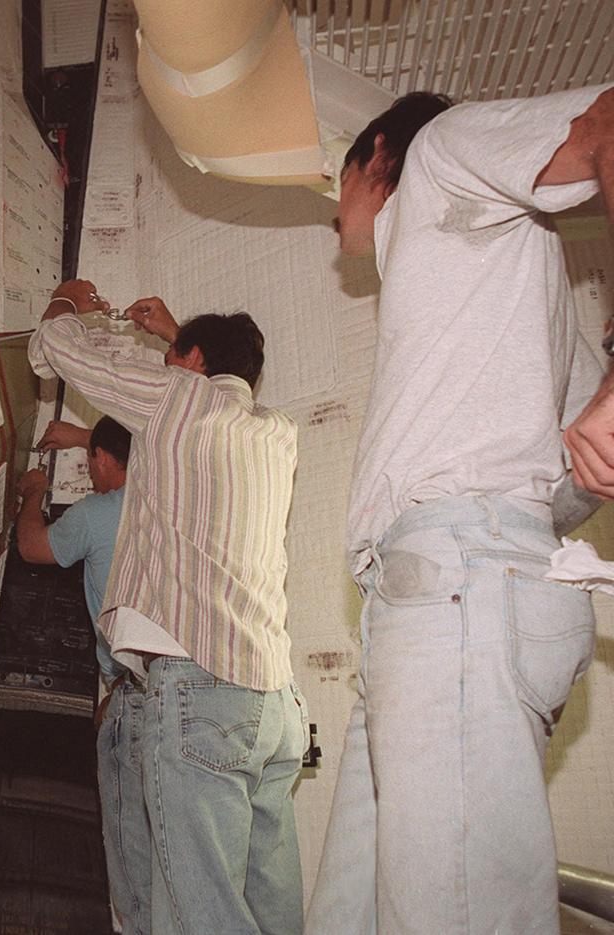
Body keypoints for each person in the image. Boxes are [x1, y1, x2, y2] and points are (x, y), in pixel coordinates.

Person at [305, 84, 614, 935]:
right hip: (444, 598)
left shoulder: (440, 151)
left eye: (340, 190)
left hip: (459, 593)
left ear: (375, 157)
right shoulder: (509, 287)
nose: (339, 222)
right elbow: (582, 469)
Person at [28, 279, 305, 935]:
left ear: (192, 361)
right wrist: (181, 339)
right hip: (272, 704)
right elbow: (213, 389)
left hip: (196, 695)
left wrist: (67, 302)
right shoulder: (276, 432)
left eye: (171, 358)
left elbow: (61, 348)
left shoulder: (178, 398)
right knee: (270, 913)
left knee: (196, 916)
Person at [14, 415, 153, 935]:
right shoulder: (164, 496)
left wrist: (34, 493)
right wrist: (83, 439)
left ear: (100, 461)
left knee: (126, 835)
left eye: (93, 458)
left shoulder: (94, 514)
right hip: (169, 679)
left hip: (126, 685)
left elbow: (33, 547)